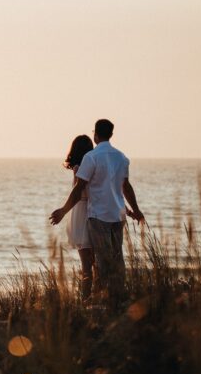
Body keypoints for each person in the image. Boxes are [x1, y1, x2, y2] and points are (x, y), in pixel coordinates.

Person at [50, 119, 144, 302]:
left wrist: (63, 211)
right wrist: (135, 210)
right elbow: (123, 188)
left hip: (98, 216)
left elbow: (79, 189)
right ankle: (115, 296)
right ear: (111, 134)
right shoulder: (121, 157)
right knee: (116, 258)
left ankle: (100, 299)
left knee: (99, 263)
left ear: (96, 134)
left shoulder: (92, 158)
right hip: (117, 216)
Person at [61, 135, 96, 300]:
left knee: (87, 264)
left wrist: (63, 211)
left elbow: (78, 193)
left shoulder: (78, 168)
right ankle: (91, 297)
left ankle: (86, 298)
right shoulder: (90, 167)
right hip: (88, 211)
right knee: (93, 263)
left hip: (82, 213)